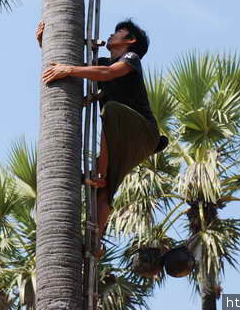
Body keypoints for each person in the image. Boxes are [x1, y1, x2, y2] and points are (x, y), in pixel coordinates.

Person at [37, 19, 167, 255]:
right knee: (103, 189)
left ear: (130, 41)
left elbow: (106, 74)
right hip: (127, 137)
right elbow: (71, 61)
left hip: (143, 131)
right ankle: (95, 240)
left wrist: (68, 70)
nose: (112, 34)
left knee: (111, 110)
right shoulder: (104, 62)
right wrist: (46, 40)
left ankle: (102, 172)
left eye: (119, 32)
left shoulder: (131, 59)